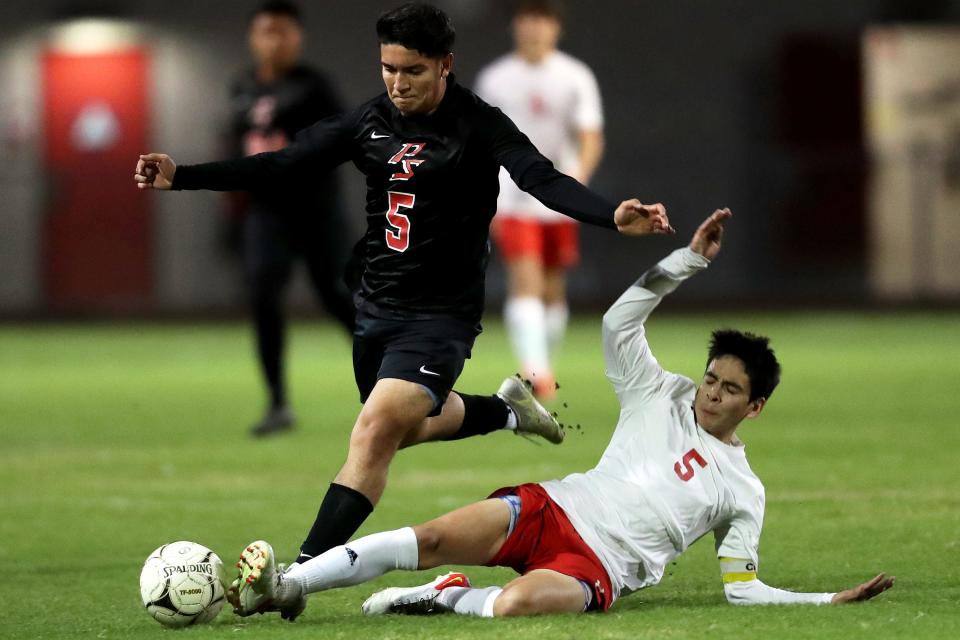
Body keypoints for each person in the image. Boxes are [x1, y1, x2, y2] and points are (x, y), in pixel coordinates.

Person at [134, 2, 674, 620]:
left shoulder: (479, 124)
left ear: (446, 65)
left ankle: (295, 575)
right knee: (401, 429)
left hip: (440, 318)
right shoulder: (368, 120)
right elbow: (282, 164)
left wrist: (611, 214)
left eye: (412, 70)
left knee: (372, 433)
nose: (398, 82)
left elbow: (540, 177)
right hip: (374, 309)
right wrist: (183, 176)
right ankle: (505, 411)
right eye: (389, 68)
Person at [228, 208, 895, 619]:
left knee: (516, 606)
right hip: (555, 506)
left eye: (726, 390)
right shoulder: (657, 391)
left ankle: (447, 596)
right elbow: (619, 320)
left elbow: (743, 590)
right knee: (423, 537)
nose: (709, 392)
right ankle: (289, 583)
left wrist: (825, 601)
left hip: (598, 568)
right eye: (710, 378)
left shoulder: (744, 492)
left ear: (755, 408)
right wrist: (687, 261)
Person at [227, 1, 356, 437]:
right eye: (266, 31)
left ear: (297, 37)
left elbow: (343, 140)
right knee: (264, 297)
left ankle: (391, 388)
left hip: (316, 209)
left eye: (283, 31)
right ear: (252, 37)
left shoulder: (315, 88)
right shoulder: (242, 86)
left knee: (340, 300)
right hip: (266, 213)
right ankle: (277, 402)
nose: (274, 40)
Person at [476, 0, 604, 399]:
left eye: (542, 20)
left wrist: (578, 179)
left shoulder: (574, 76)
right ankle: (536, 373)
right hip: (512, 196)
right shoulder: (496, 79)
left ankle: (543, 363)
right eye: (526, 20)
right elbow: (480, 140)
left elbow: (590, 136)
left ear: (555, 28)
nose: (533, 28)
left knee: (552, 287)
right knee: (525, 277)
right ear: (516, 26)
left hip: (559, 196)